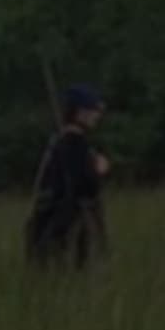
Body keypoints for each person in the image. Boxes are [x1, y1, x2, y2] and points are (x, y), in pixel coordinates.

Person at [25, 84, 110, 270]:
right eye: (93, 110)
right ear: (80, 113)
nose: (97, 116)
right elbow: (84, 187)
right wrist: (99, 170)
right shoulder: (76, 145)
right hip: (68, 225)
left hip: (47, 223)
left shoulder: (57, 143)